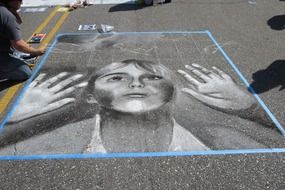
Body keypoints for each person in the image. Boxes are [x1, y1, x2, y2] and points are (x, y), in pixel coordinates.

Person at [0, 59, 278, 155]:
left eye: (152, 77)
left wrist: (250, 108)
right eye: (117, 78)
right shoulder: (51, 145)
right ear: (92, 95)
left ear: (172, 91)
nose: (136, 84)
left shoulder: (223, 139)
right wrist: (14, 120)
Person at [0, 0, 45, 81]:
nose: (22, 3)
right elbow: (18, 44)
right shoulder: (6, 15)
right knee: (25, 73)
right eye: (20, 0)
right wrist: (36, 51)